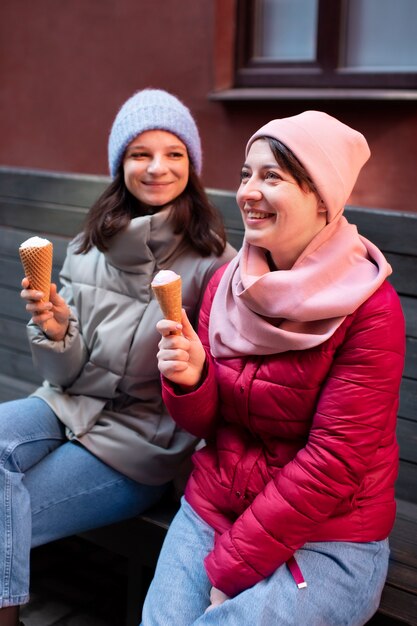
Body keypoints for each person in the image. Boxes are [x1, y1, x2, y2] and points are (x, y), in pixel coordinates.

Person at [144, 111, 406, 625]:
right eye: (246, 174)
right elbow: (207, 426)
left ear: (322, 195)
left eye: (272, 176)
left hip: (328, 534)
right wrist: (191, 380)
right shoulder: (226, 284)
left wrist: (229, 569)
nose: (248, 191)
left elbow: (333, 462)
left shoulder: (371, 309)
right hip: (215, 507)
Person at [0, 88, 236, 626]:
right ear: (119, 164)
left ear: (192, 165)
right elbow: (62, 377)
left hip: (139, 444)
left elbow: (217, 390)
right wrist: (58, 332)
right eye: (140, 153)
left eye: (174, 153)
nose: (157, 167)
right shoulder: (89, 244)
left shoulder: (217, 265)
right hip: (64, 405)